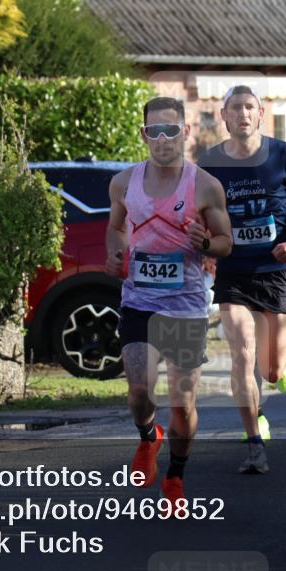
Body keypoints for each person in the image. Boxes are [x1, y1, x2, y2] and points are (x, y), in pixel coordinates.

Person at [105, 96, 233, 502]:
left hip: (186, 307)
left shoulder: (205, 186)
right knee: (139, 392)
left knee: (183, 403)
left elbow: (226, 242)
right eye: (155, 131)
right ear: (144, 135)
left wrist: (206, 243)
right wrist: (115, 253)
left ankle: (175, 476)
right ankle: (148, 437)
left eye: (171, 130)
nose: (163, 139)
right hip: (139, 302)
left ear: (185, 132)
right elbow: (116, 228)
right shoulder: (123, 183)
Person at [199, 85, 286, 474]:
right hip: (233, 271)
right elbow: (199, 209)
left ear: (261, 113)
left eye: (250, 107)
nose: (243, 113)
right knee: (242, 353)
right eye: (235, 108)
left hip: (274, 270)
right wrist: (205, 245)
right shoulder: (210, 162)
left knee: (271, 371)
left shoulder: (283, 154)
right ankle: (254, 443)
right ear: (224, 116)